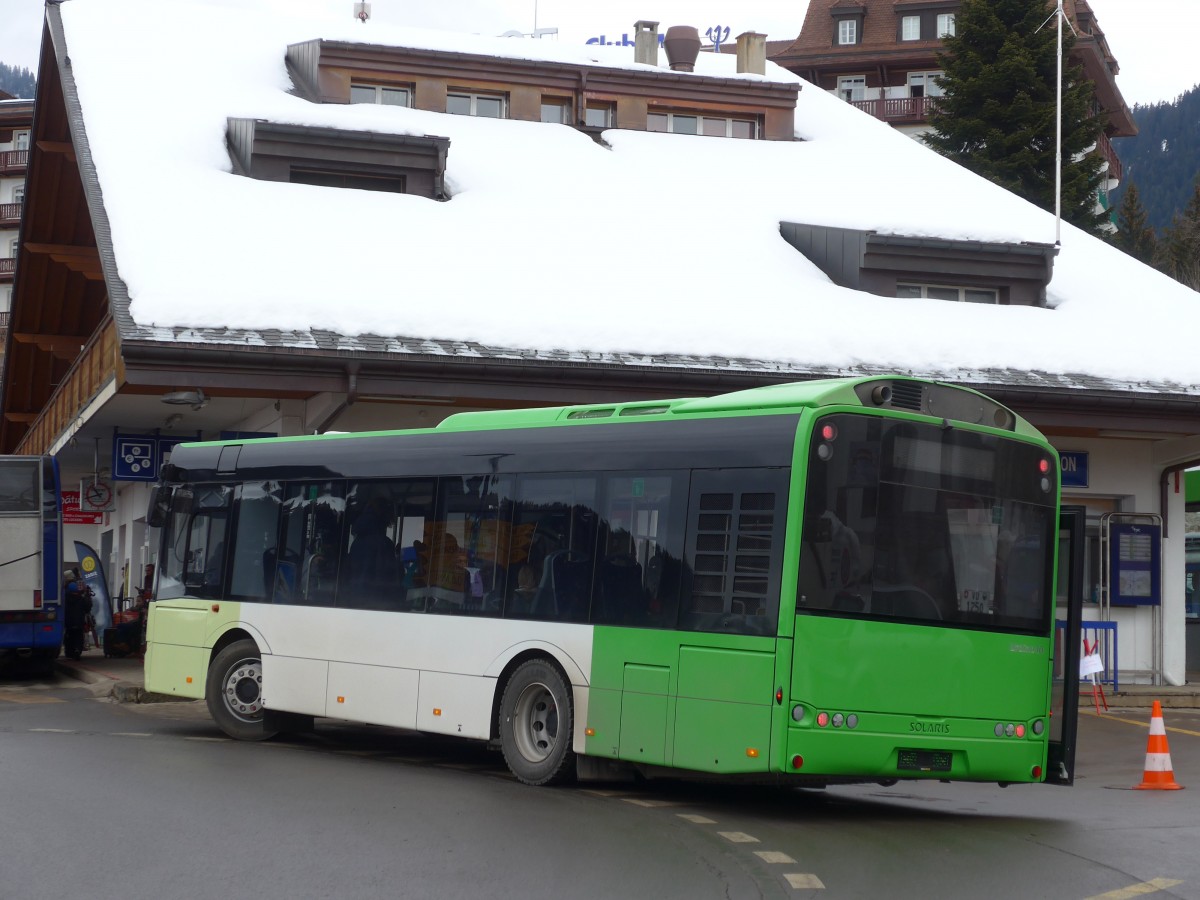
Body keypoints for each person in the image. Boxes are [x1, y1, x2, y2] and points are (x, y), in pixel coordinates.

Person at [63, 569, 94, 661]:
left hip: (68, 619)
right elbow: (87, 607)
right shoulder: (81, 595)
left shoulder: (64, 593)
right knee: (79, 635)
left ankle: (69, 652)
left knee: (69, 635)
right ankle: (77, 650)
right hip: (79, 619)